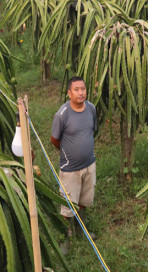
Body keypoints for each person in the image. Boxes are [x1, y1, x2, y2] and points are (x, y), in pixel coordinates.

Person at [51, 76, 98, 255]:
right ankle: (66, 236)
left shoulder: (91, 109)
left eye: (83, 89)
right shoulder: (62, 114)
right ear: (69, 93)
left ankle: (82, 230)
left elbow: (92, 131)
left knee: (84, 199)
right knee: (68, 203)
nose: (80, 93)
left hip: (89, 164)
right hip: (70, 168)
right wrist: (68, 152)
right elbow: (55, 140)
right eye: (76, 90)